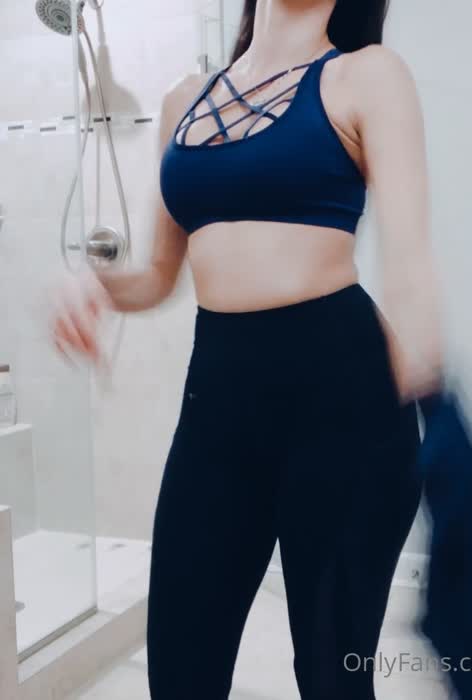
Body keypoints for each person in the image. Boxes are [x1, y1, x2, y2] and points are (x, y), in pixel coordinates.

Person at [50, 1, 443, 697]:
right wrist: (98, 285)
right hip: (217, 408)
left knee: (331, 677)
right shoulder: (185, 100)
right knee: (181, 672)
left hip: (346, 409)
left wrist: (437, 412)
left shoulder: (366, 75)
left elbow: (410, 267)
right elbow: (159, 275)